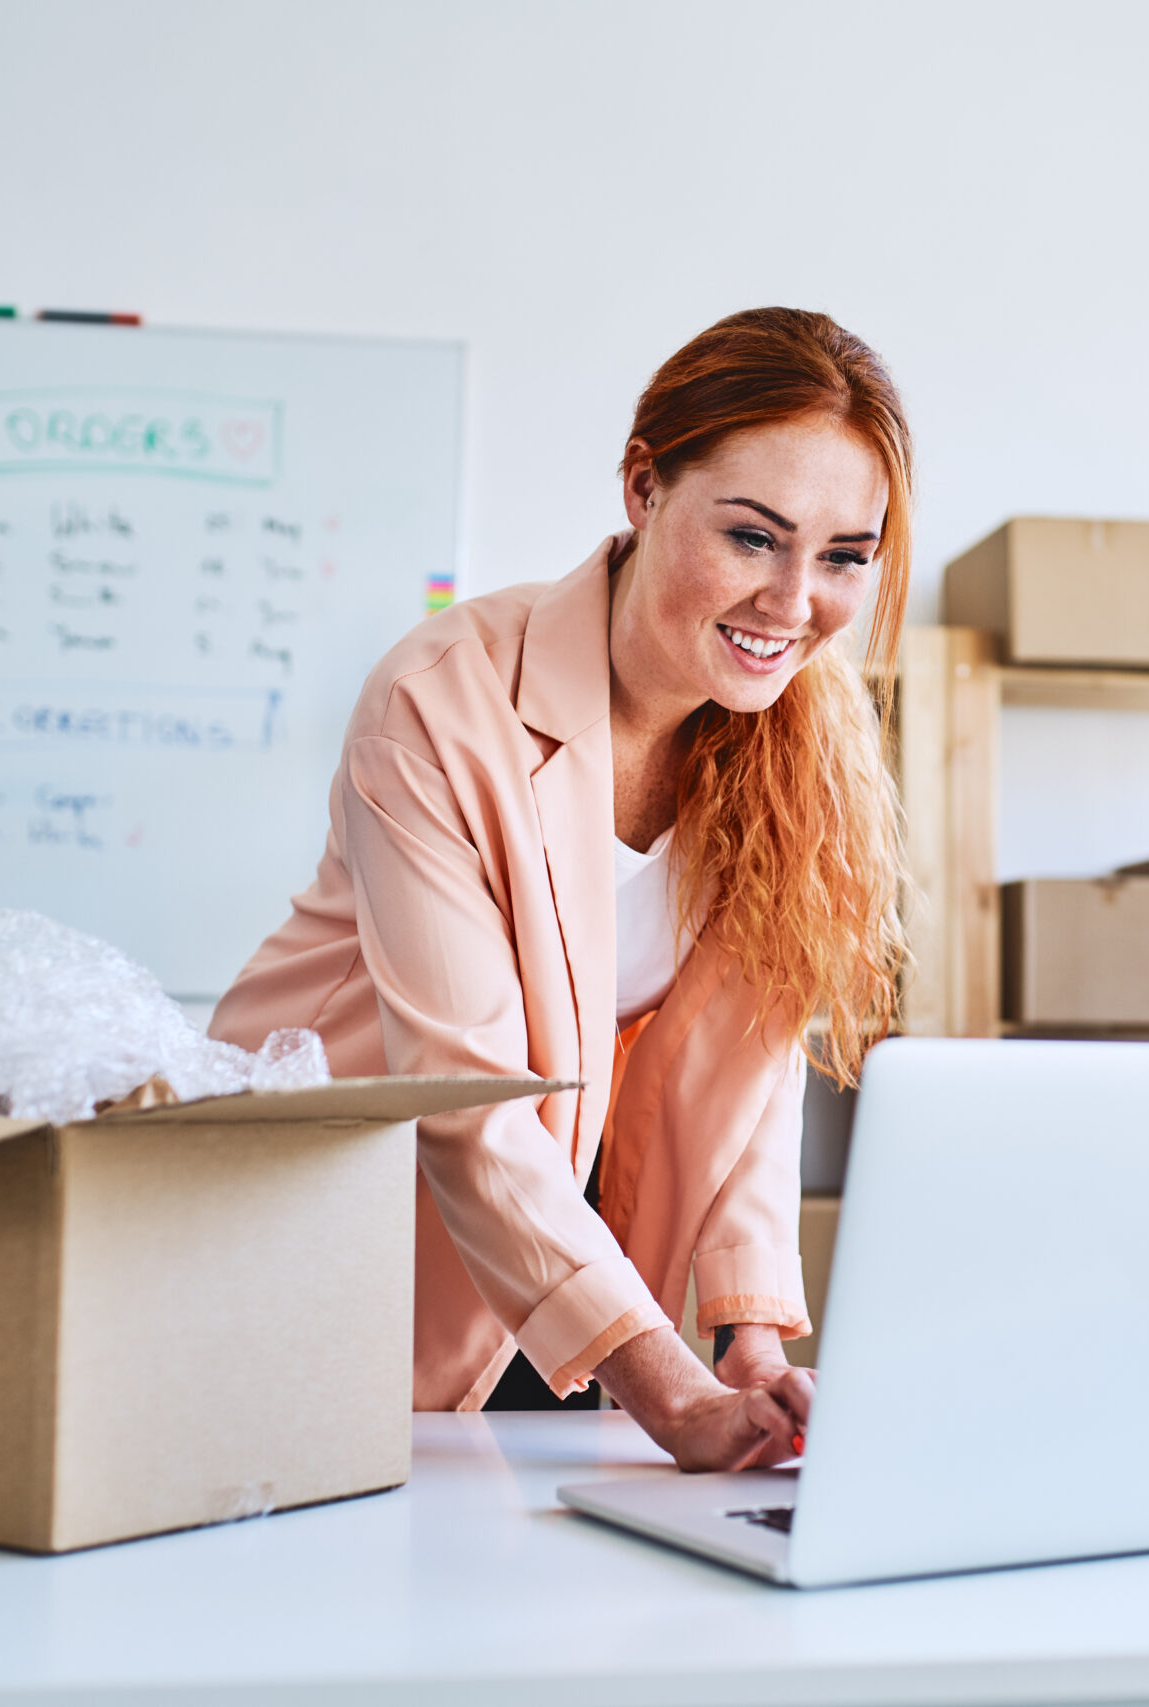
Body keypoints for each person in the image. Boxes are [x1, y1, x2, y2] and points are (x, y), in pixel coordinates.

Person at [211, 308, 912, 1472]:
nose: (795, 603)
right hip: (330, 1222)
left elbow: (754, 1061)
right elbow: (468, 1099)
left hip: (560, 1256)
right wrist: (671, 1394)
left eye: (843, 556)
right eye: (753, 538)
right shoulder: (442, 698)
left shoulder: (801, 741)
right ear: (643, 487)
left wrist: (743, 1338)